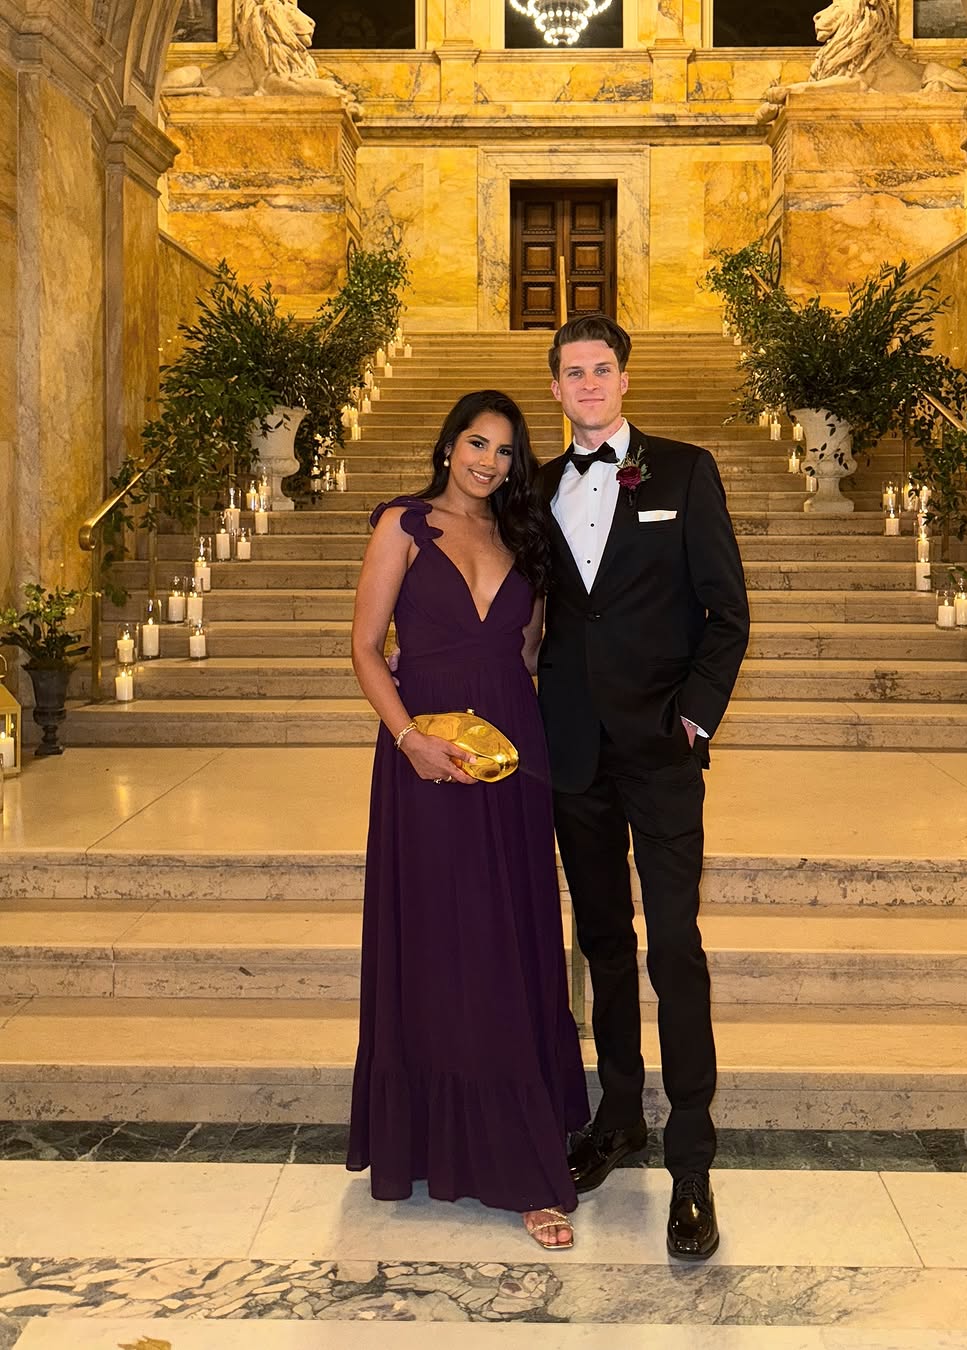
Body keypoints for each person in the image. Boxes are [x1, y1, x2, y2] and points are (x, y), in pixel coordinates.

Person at [346, 390, 589, 1250]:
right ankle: (453, 1145)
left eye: (505, 451)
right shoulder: (403, 525)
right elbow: (365, 647)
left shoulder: (523, 536)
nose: (489, 462)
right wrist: (409, 738)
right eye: (477, 443)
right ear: (449, 445)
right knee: (445, 942)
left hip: (513, 761)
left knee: (508, 941)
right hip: (425, 762)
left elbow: (525, 654)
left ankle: (518, 1144)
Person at [538, 315, 750, 1261]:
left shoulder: (686, 472)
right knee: (603, 943)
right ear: (555, 388)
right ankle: (618, 1116)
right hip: (571, 753)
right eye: (573, 372)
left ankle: (691, 1162)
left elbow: (727, 613)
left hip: (661, 750)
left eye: (602, 369)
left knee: (674, 948)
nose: (589, 383)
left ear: (624, 380)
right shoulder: (536, 486)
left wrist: (694, 719)